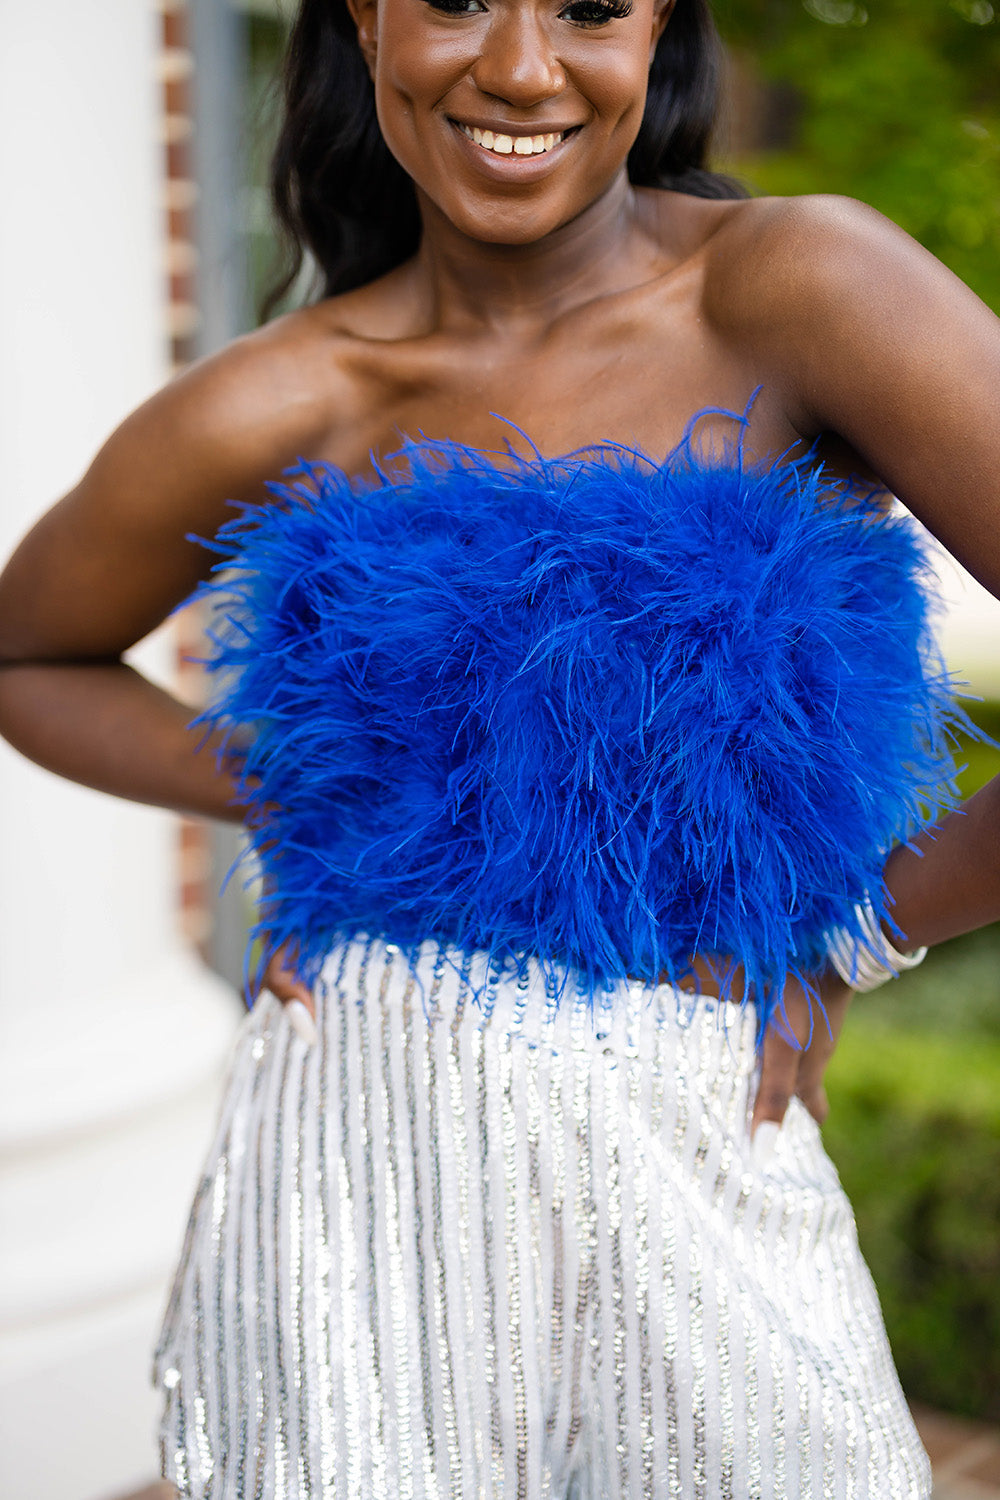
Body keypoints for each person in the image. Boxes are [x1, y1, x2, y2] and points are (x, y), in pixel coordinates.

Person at [1, 0, 998, 1492]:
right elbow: (29, 653)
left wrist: (851, 930)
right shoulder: (294, 389)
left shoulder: (798, 284)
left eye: (589, 7)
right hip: (349, 1186)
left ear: (657, 29)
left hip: (701, 1159)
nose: (523, 68)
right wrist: (319, 792)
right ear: (367, 20)